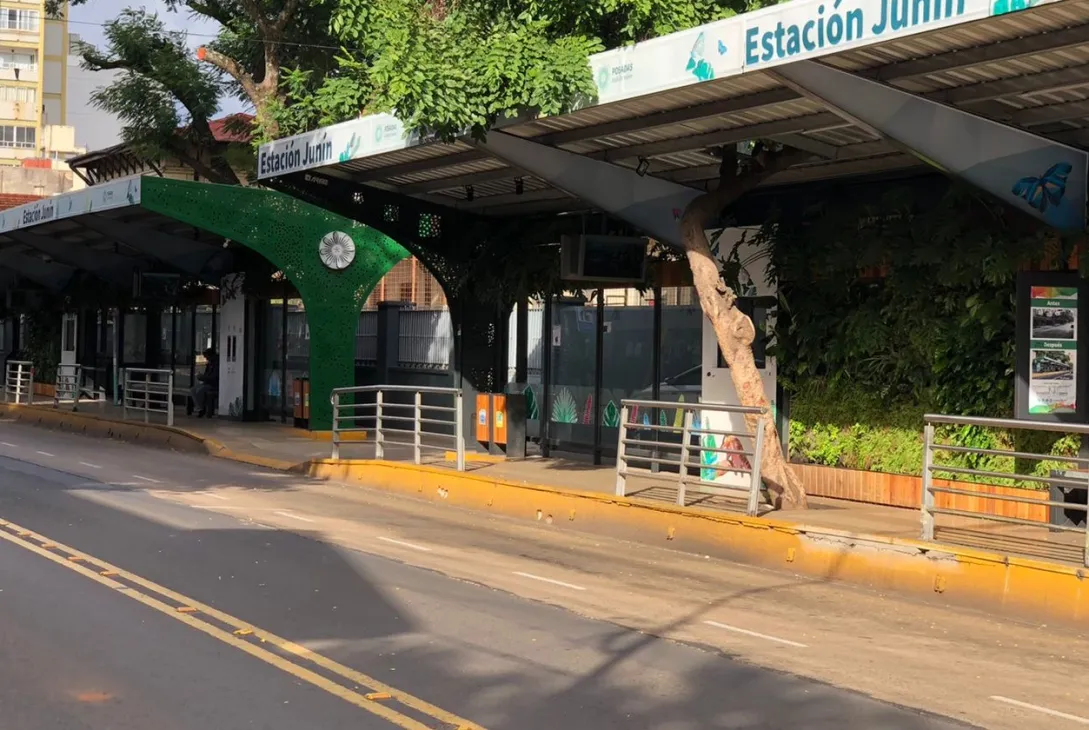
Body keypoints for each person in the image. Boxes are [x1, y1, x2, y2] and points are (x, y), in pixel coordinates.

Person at [188, 348, 219, 417]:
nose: (206, 358)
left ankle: (202, 408)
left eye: (206, 357)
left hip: (213, 385)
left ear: (210, 356)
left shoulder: (216, 364)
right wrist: (202, 377)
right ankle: (200, 407)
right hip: (207, 383)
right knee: (193, 390)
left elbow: (214, 377)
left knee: (200, 390)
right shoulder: (209, 364)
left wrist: (204, 377)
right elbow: (206, 374)